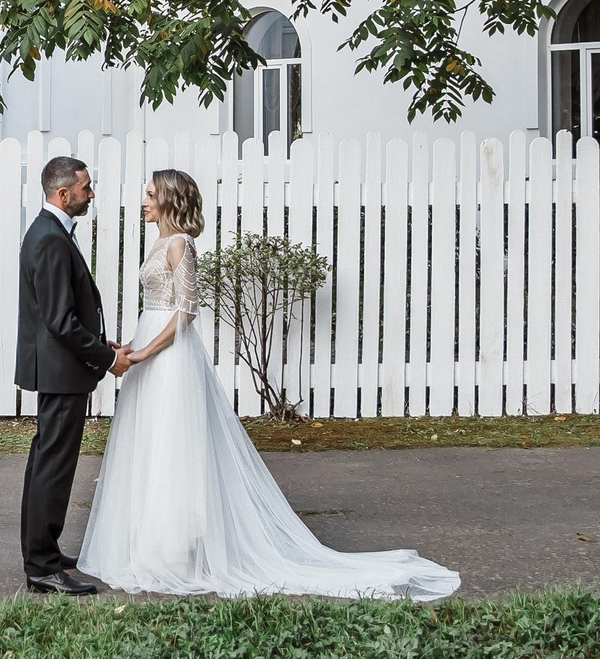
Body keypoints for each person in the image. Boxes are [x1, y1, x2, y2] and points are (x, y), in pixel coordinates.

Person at [76, 169, 461, 601]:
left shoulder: (182, 245)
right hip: (150, 348)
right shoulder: (160, 243)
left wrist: (146, 353)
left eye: (149, 195)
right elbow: (158, 308)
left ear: (168, 199)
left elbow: (186, 312)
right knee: (148, 445)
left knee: (172, 443)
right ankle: (151, 542)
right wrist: (131, 344)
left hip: (170, 360)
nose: (143, 201)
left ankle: (175, 549)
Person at [14, 156, 126, 595]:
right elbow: (60, 321)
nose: (91, 194)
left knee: (48, 462)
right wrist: (106, 358)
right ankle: (41, 566)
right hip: (61, 371)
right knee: (53, 466)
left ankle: (44, 550)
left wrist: (103, 344)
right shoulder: (49, 239)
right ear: (64, 194)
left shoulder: (51, 232)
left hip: (60, 369)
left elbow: (64, 312)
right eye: (86, 187)